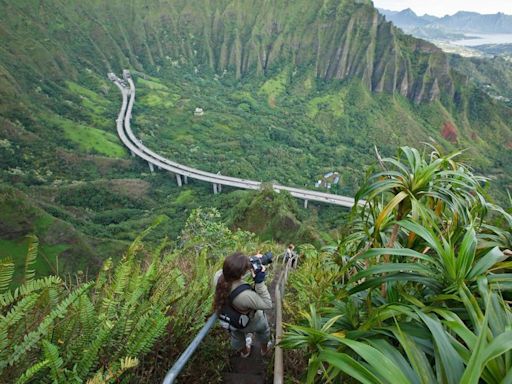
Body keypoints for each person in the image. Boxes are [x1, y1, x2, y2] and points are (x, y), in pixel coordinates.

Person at [213, 252, 272, 358]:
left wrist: (248, 261)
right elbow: (267, 303)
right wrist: (259, 282)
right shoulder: (244, 295)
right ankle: (264, 350)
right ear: (241, 274)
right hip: (252, 322)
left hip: (232, 320)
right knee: (263, 330)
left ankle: (245, 352)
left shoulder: (218, 276)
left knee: (236, 336)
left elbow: (231, 270)